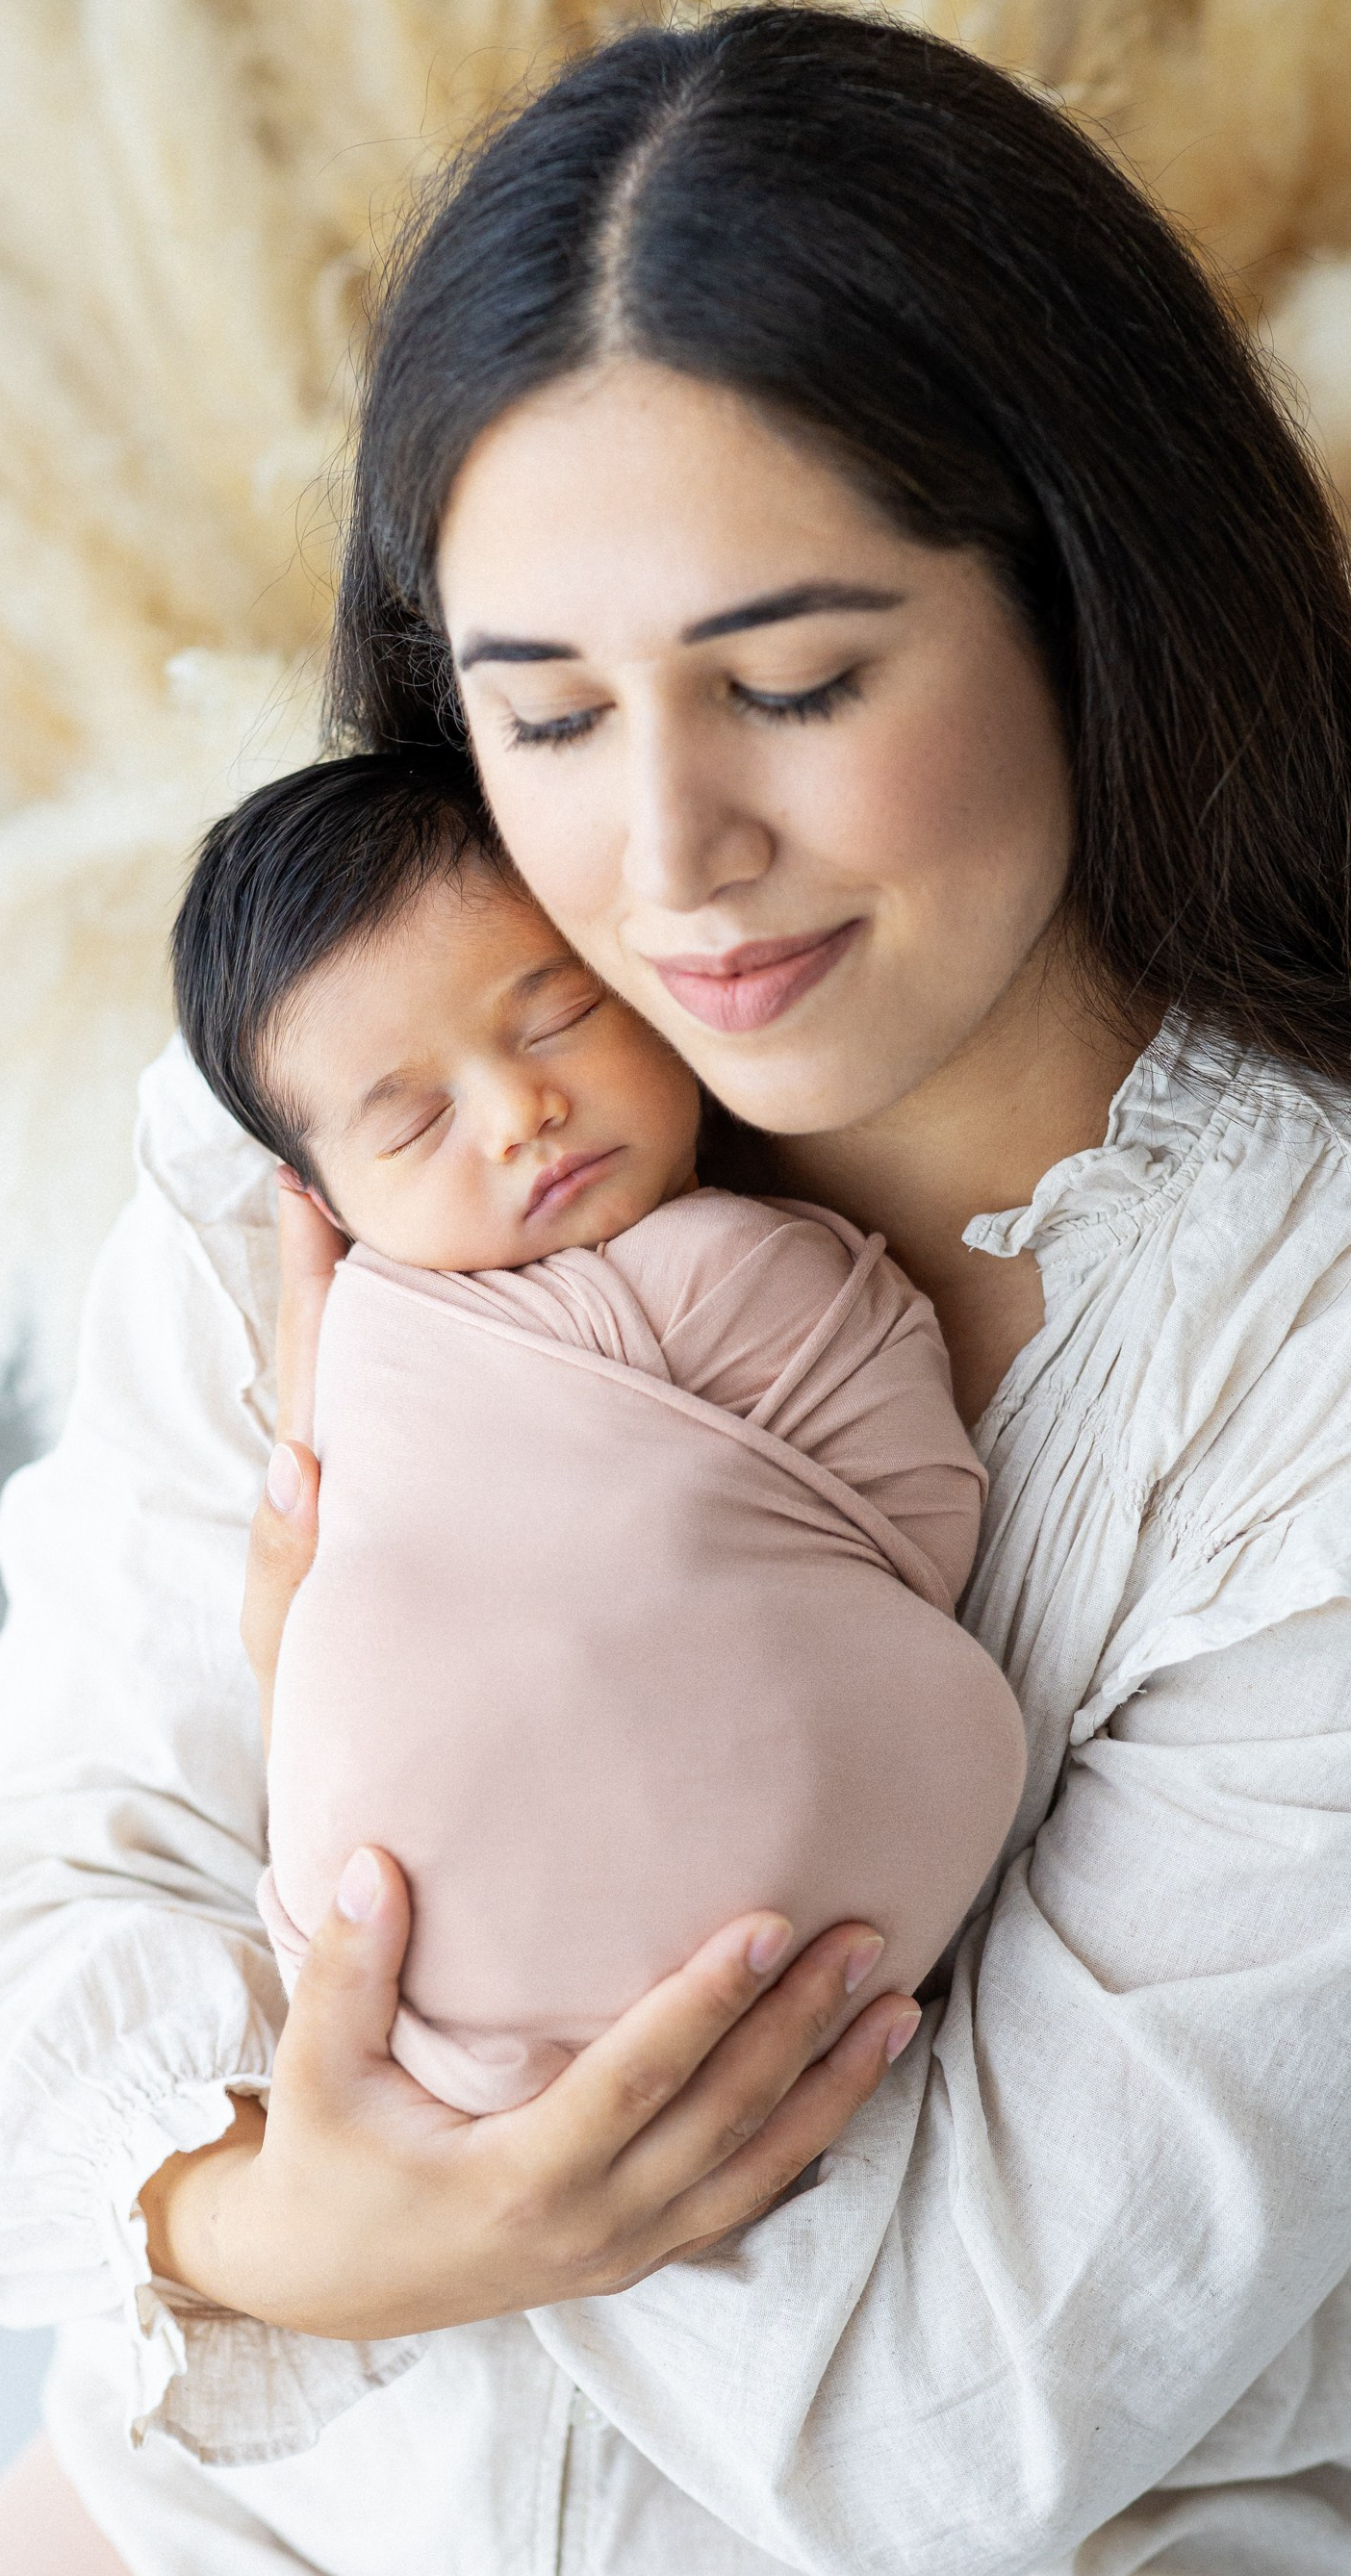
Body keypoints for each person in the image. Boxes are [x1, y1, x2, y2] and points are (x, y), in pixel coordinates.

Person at [0, 7, 1351, 2576]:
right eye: (540, 712)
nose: (664, 860)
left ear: (1098, 600)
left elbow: (941, 2420)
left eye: (790, 684)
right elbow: (0, 1987)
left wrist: (360, 2038)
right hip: (306, 2534)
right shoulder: (344, 1145)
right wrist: (279, 2239)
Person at [170, 747, 1023, 2114]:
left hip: (513, 1997)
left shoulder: (741, 1268)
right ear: (320, 1200)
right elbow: (925, 1520)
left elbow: (912, 1521)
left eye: (557, 1017)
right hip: (393, 1940)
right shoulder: (377, 1333)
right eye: (418, 1122)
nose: (520, 1115)